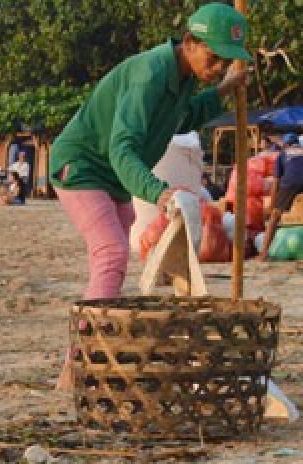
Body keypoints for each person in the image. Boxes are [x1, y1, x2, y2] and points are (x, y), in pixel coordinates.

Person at [50, 2, 250, 387]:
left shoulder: (185, 77)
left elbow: (184, 117)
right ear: (190, 42)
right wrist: (157, 193)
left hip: (112, 178)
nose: (218, 68)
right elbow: (121, 148)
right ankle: (77, 367)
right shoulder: (150, 75)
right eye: (214, 59)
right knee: (110, 253)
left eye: (226, 63)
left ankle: (93, 351)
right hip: (83, 166)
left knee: (113, 260)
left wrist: (222, 90)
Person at [260, 132, 303, 261]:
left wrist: (272, 206)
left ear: (285, 144)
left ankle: (263, 253)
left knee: (275, 216)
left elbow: (276, 182)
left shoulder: (282, 155)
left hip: (290, 183)